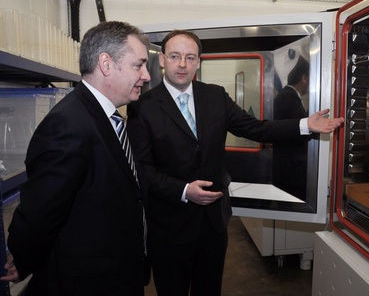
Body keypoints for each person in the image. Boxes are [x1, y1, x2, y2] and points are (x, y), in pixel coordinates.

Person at [127, 29, 344, 296]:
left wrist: (304, 125)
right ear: (162, 60)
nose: (182, 64)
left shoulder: (215, 96)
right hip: (170, 227)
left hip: (213, 225)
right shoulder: (142, 106)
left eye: (190, 57)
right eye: (175, 56)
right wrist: (184, 191)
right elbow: (142, 171)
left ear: (199, 62)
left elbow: (256, 128)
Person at [0, 21, 151, 296]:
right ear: (106, 64)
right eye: (138, 65)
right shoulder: (68, 124)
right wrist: (23, 258)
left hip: (115, 272)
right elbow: (41, 211)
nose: (146, 75)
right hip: (88, 282)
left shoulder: (105, 117)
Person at [273, 55, 310, 200]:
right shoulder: (290, 99)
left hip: (283, 168)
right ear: (304, 78)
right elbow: (300, 131)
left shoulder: (284, 96)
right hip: (289, 172)